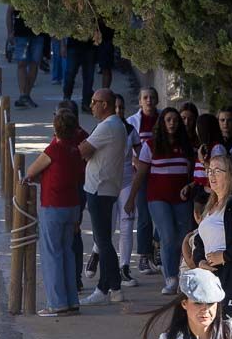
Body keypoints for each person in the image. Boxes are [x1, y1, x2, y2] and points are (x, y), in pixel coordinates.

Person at [23, 108, 86, 315]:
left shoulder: (53, 150)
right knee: (67, 252)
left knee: (52, 255)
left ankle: (57, 303)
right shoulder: (75, 151)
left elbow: (30, 172)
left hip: (53, 205)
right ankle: (71, 301)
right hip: (72, 205)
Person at [127, 107, 194, 295]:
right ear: (162, 123)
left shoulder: (185, 145)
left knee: (183, 237)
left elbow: (193, 172)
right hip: (158, 198)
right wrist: (131, 198)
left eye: (175, 120)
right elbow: (140, 174)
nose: (172, 123)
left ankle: (181, 274)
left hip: (181, 198)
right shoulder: (150, 145)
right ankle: (171, 278)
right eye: (168, 120)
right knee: (168, 235)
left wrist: (190, 186)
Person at [79, 89, 128, 305]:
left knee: (103, 241)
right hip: (104, 188)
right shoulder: (114, 125)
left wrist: (86, 150)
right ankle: (111, 285)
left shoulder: (108, 126)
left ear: (105, 105)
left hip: (100, 189)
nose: (91, 106)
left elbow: (83, 150)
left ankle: (109, 287)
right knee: (104, 240)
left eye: (94, 102)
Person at [195, 153, 232, 339]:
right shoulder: (212, 207)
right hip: (214, 279)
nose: (211, 175)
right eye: (209, 170)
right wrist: (200, 261)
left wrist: (225, 256)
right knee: (220, 337)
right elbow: (199, 243)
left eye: (217, 170)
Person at [127, 87, 161, 276]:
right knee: (145, 217)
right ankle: (143, 256)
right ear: (140, 101)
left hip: (161, 174)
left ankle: (157, 246)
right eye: (145, 98)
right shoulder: (133, 122)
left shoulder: (164, 118)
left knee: (161, 216)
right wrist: (139, 162)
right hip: (140, 175)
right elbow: (130, 150)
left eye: (152, 97)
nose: (149, 100)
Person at [8, 2, 42, 108]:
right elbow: (9, 12)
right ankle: (23, 94)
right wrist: (10, 32)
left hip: (38, 33)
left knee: (34, 64)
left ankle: (26, 95)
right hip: (21, 33)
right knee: (21, 63)